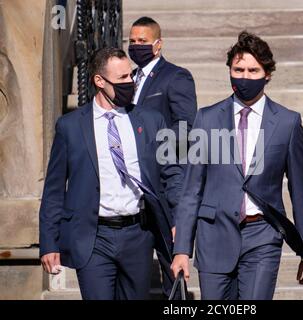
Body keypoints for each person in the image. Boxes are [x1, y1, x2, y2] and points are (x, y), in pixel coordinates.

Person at [171, 31, 303, 300]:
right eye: (238, 69)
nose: (245, 76)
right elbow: (191, 188)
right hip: (214, 235)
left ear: (267, 74)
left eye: (253, 70)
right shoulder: (206, 119)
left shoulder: (287, 123)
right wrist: (182, 248)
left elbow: (301, 190)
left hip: (263, 236)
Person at [39, 47, 183, 300]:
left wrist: (177, 219)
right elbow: (53, 190)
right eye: (122, 79)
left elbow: (171, 174)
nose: (131, 83)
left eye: (131, 76)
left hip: (138, 234)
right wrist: (49, 242)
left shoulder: (151, 120)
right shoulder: (70, 127)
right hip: (93, 236)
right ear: (99, 81)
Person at [128, 16, 197, 296]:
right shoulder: (128, 79)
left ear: (158, 45)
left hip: (165, 187)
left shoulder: (175, 77)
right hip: (134, 192)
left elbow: (184, 131)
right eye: (132, 41)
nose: (136, 46)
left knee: (173, 271)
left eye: (142, 41)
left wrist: (176, 194)